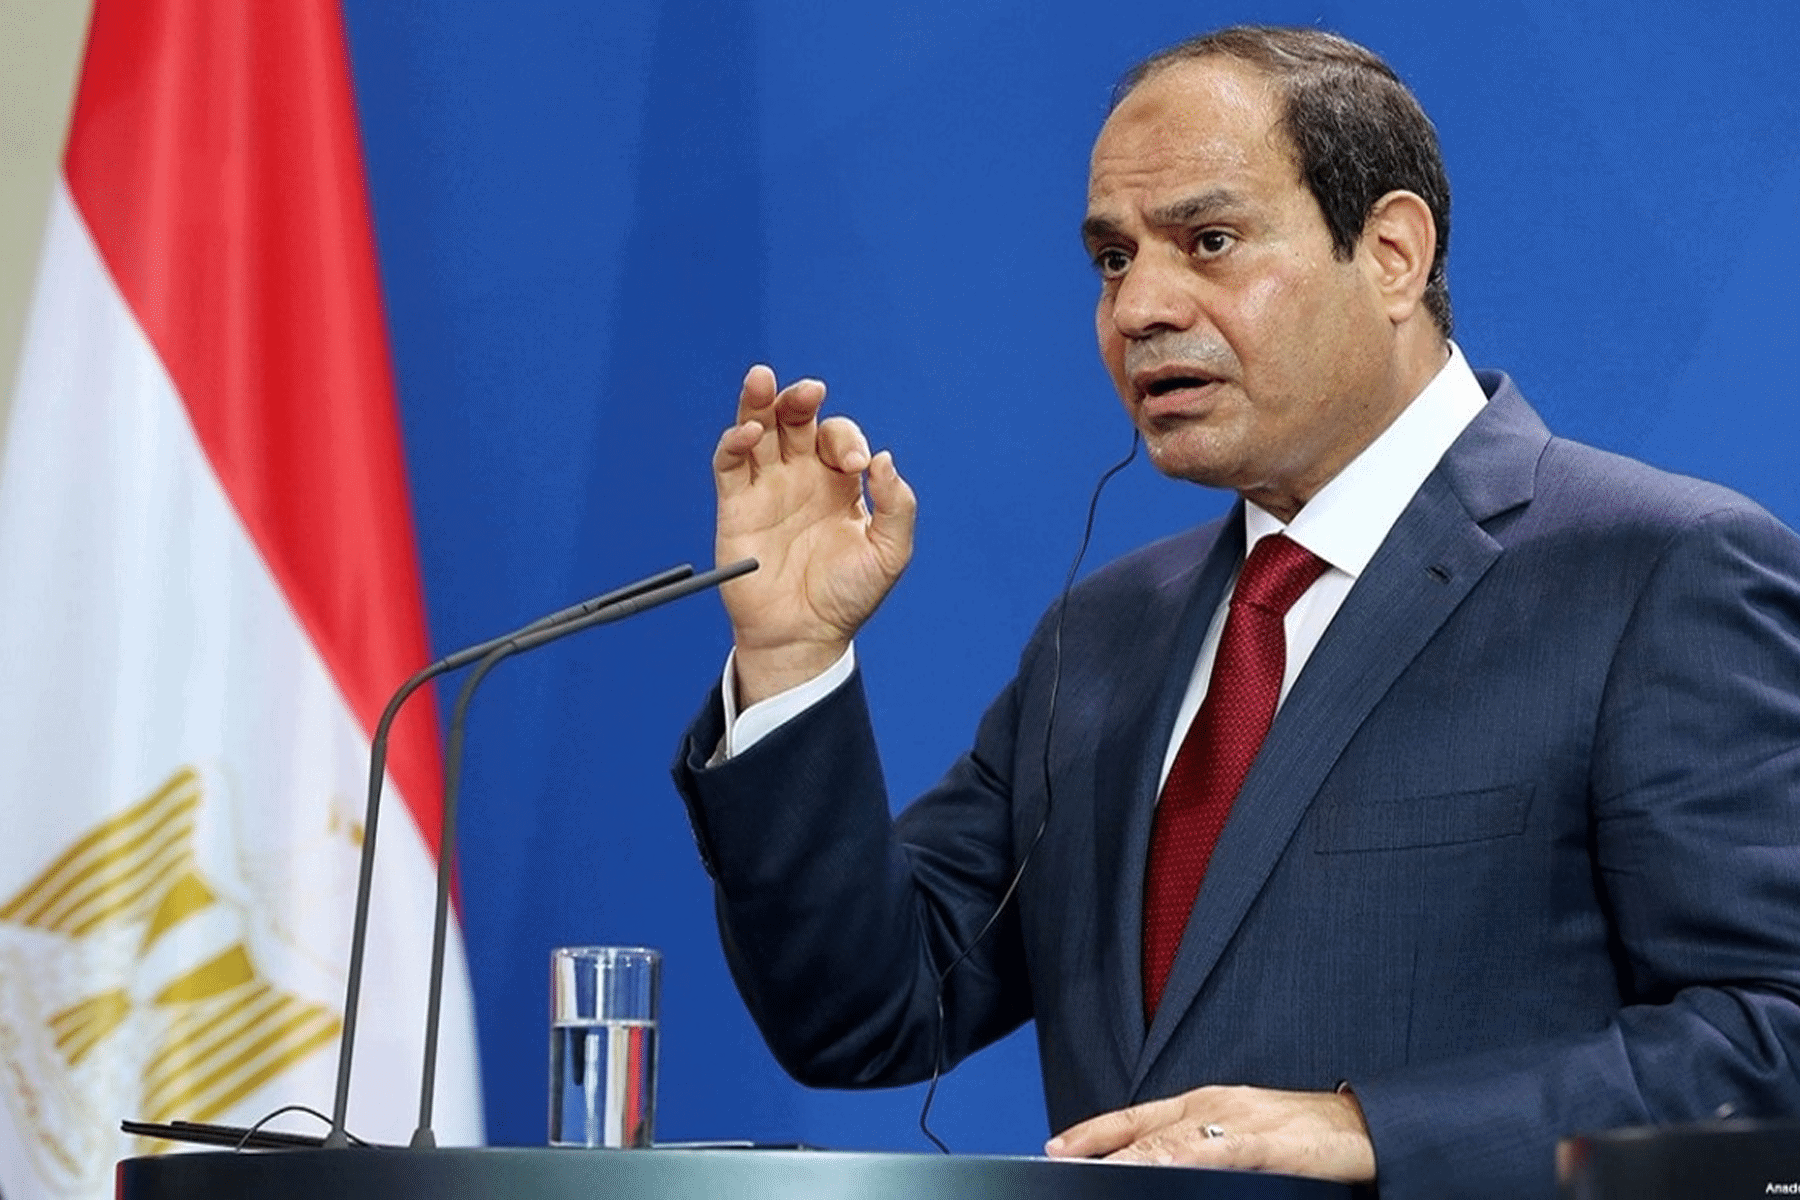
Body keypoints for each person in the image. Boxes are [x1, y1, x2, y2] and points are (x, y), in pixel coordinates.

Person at [671, 26, 1800, 1199]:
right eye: (1113, 260)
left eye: (1209, 242)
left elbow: (1777, 1043)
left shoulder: (1658, 573)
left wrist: (1369, 1130)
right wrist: (790, 659)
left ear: (1393, 254)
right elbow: (866, 1013)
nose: (1140, 307)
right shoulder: (1102, 637)